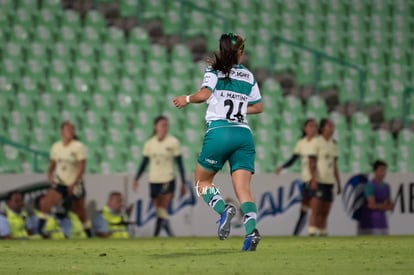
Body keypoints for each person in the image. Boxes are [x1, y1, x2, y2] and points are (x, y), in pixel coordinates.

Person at [173, 33, 263, 251]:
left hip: (220, 132)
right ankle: (251, 232)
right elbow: (258, 107)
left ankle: (224, 210)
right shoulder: (248, 76)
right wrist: (240, 108)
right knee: (244, 190)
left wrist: (186, 98)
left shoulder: (214, 71)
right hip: (243, 135)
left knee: (202, 182)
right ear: (239, 52)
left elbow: (204, 95)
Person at [133, 115, 187, 237]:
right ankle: (168, 231)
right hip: (153, 179)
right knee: (159, 210)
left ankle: (156, 235)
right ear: (155, 126)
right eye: (162, 125)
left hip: (168, 178)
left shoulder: (173, 142)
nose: (165, 128)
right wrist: (137, 178)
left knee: (162, 207)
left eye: (166, 125)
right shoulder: (149, 143)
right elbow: (144, 162)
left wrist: (183, 182)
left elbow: (179, 163)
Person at [38, 121, 92, 238]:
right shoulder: (56, 146)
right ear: (62, 131)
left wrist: (74, 182)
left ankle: (89, 234)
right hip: (60, 182)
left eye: (72, 129)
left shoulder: (78, 146)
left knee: (80, 211)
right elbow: (52, 163)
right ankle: (39, 231)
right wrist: (50, 173)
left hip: (75, 183)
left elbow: (82, 168)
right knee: (46, 203)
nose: (71, 132)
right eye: (68, 129)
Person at [275, 118, 318, 236]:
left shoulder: (319, 142)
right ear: (305, 128)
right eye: (310, 126)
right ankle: (297, 233)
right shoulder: (302, 143)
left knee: (315, 207)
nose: (313, 128)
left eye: (315, 126)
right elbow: (294, 158)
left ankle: (313, 232)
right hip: (306, 179)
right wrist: (282, 167)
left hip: (318, 179)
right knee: (304, 207)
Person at [308, 118, 341, 236]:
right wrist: (313, 179)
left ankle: (322, 231)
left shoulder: (333, 143)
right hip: (319, 180)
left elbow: (335, 165)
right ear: (323, 129)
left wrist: (339, 182)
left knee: (325, 211)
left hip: (329, 181)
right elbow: (311, 162)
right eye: (330, 126)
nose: (332, 129)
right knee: (315, 210)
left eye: (333, 126)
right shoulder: (317, 142)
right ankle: (312, 231)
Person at [358, 160, 394, 235]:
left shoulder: (386, 186)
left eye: (384, 170)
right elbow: (371, 205)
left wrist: (380, 206)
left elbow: (391, 205)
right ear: (375, 171)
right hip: (370, 224)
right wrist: (384, 206)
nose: (383, 172)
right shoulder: (369, 186)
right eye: (381, 169)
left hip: (383, 223)